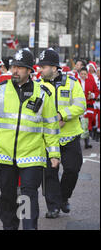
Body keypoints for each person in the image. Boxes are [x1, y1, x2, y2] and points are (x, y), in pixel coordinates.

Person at [0, 48, 61, 230]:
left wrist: (54, 153)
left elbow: (51, 126)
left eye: (20, 67)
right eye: (13, 66)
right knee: (7, 196)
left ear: (30, 70)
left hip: (32, 156)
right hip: (5, 156)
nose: (14, 70)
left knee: (28, 195)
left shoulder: (42, 93)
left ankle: (29, 227)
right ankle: (10, 227)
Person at [38, 48, 86, 219]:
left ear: (54, 67)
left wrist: (63, 115)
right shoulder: (38, 84)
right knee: (49, 173)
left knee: (72, 169)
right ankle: (53, 206)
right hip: (48, 137)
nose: (40, 69)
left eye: (43, 66)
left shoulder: (72, 83)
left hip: (70, 135)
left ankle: (63, 197)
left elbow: (81, 105)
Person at [78, 67, 99, 149]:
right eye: (82, 74)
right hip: (79, 104)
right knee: (79, 123)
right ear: (79, 74)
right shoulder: (76, 81)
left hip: (89, 104)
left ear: (87, 74)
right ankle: (78, 141)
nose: (83, 75)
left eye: (85, 74)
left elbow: (96, 91)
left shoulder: (91, 81)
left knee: (88, 122)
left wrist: (92, 95)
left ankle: (86, 142)